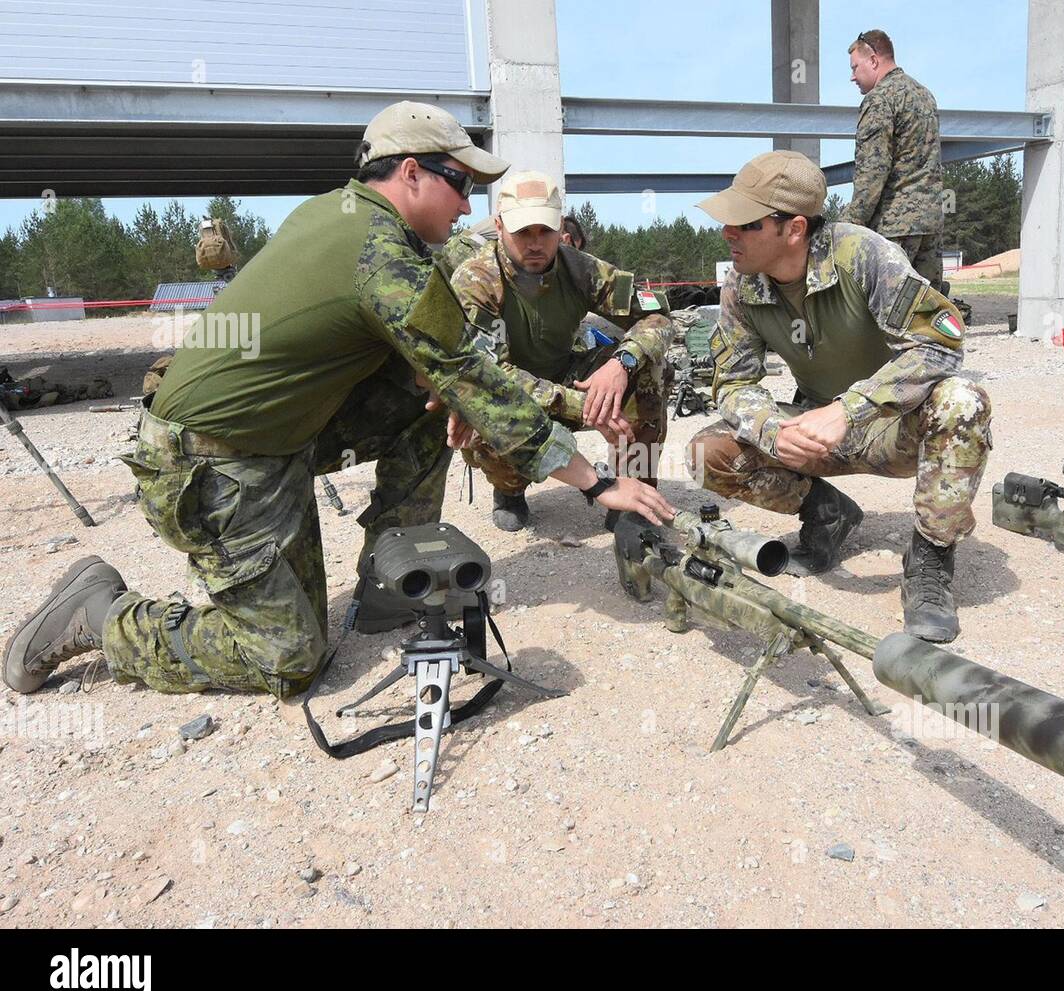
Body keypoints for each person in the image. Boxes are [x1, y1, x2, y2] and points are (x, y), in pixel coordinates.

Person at [4, 102, 673, 698]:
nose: (467, 207)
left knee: (427, 407)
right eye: (461, 185)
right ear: (411, 172)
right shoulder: (380, 252)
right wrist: (592, 483)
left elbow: (440, 375)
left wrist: (454, 396)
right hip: (211, 466)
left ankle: (392, 582)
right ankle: (99, 613)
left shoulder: (338, 215)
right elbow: (470, 370)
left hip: (281, 441)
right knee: (289, 658)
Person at [686, 151, 991, 644]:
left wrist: (851, 409)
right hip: (815, 431)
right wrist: (772, 429)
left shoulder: (862, 255)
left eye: (744, 223)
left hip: (893, 429)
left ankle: (931, 560)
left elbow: (942, 345)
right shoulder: (741, 285)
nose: (728, 233)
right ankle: (826, 513)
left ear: (794, 228)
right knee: (708, 455)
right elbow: (734, 383)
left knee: (963, 400)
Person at [450, 171, 673, 532]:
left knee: (649, 366)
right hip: (514, 393)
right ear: (500, 226)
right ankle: (509, 489)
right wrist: (581, 405)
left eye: (545, 231)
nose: (535, 243)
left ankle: (636, 493)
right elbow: (489, 375)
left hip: (566, 374)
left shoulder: (582, 269)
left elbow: (658, 316)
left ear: (561, 230)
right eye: (523, 232)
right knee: (484, 408)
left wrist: (622, 362)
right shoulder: (476, 280)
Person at [843, 29, 945, 289]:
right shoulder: (924, 94)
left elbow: (872, 172)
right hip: (930, 224)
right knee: (925, 312)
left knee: (885, 313)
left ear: (874, 60)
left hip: (894, 228)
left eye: (855, 67)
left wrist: (848, 225)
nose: (852, 76)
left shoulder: (879, 100)